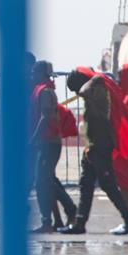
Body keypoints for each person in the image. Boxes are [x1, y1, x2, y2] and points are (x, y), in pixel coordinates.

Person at [59, 67, 128, 236]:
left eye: (75, 88)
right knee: (86, 184)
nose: (77, 93)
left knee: (107, 184)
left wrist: (94, 78)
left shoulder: (97, 89)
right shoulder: (93, 89)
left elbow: (84, 92)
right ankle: (79, 223)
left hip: (101, 146)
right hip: (93, 146)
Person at [29, 61, 76, 233]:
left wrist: (33, 139)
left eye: (34, 72)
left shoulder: (45, 92)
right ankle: (58, 218)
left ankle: (50, 219)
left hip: (48, 142)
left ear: (41, 73)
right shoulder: (43, 90)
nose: (32, 75)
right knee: (47, 181)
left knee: (42, 183)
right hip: (46, 142)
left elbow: (46, 117)